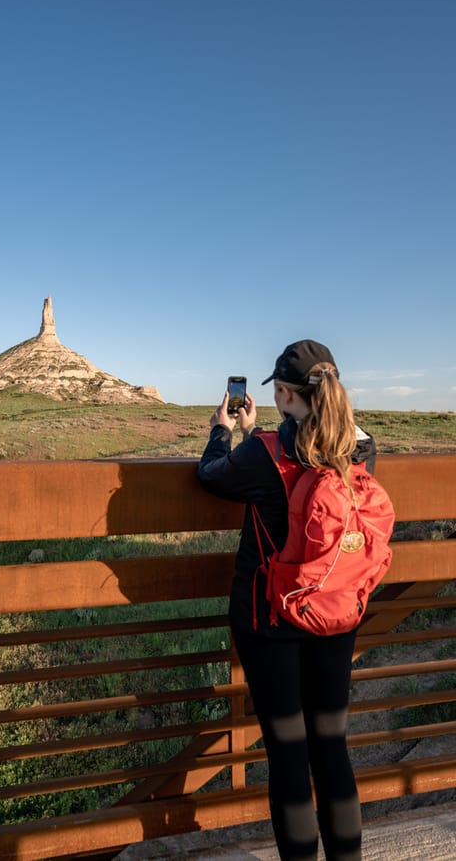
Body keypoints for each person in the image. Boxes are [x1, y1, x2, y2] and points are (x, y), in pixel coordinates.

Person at [198, 339, 375, 861]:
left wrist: (224, 431)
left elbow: (212, 476)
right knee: (331, 748)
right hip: (337, 615)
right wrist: (257, 435)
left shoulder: (263, 452)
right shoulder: (361, 448)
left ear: (280, 394)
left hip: (269, 620)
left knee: (289, 756)